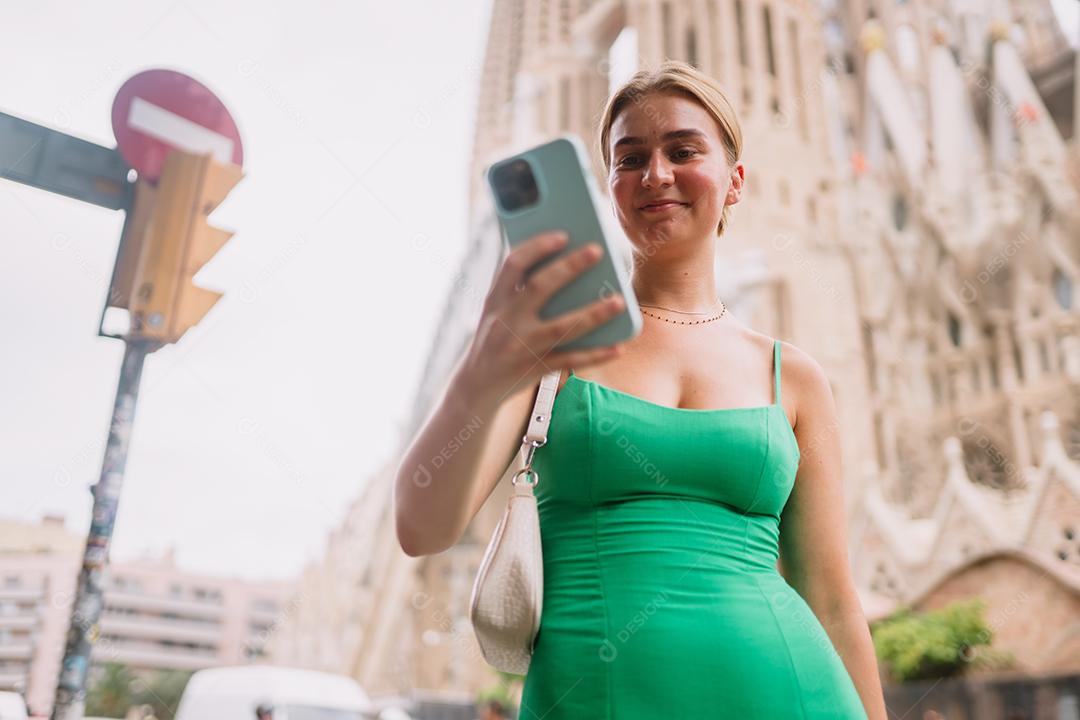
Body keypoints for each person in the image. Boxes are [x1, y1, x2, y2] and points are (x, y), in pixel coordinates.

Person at [395, 60, 887, 718]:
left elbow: (831, 601)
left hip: (792, 694)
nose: (656, 174)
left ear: (734, 182)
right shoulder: (548, 355)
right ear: (609, 188)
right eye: (631, 159)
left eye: (683, 150)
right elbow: (420, 527)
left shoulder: (792, 376)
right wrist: (486, 361)